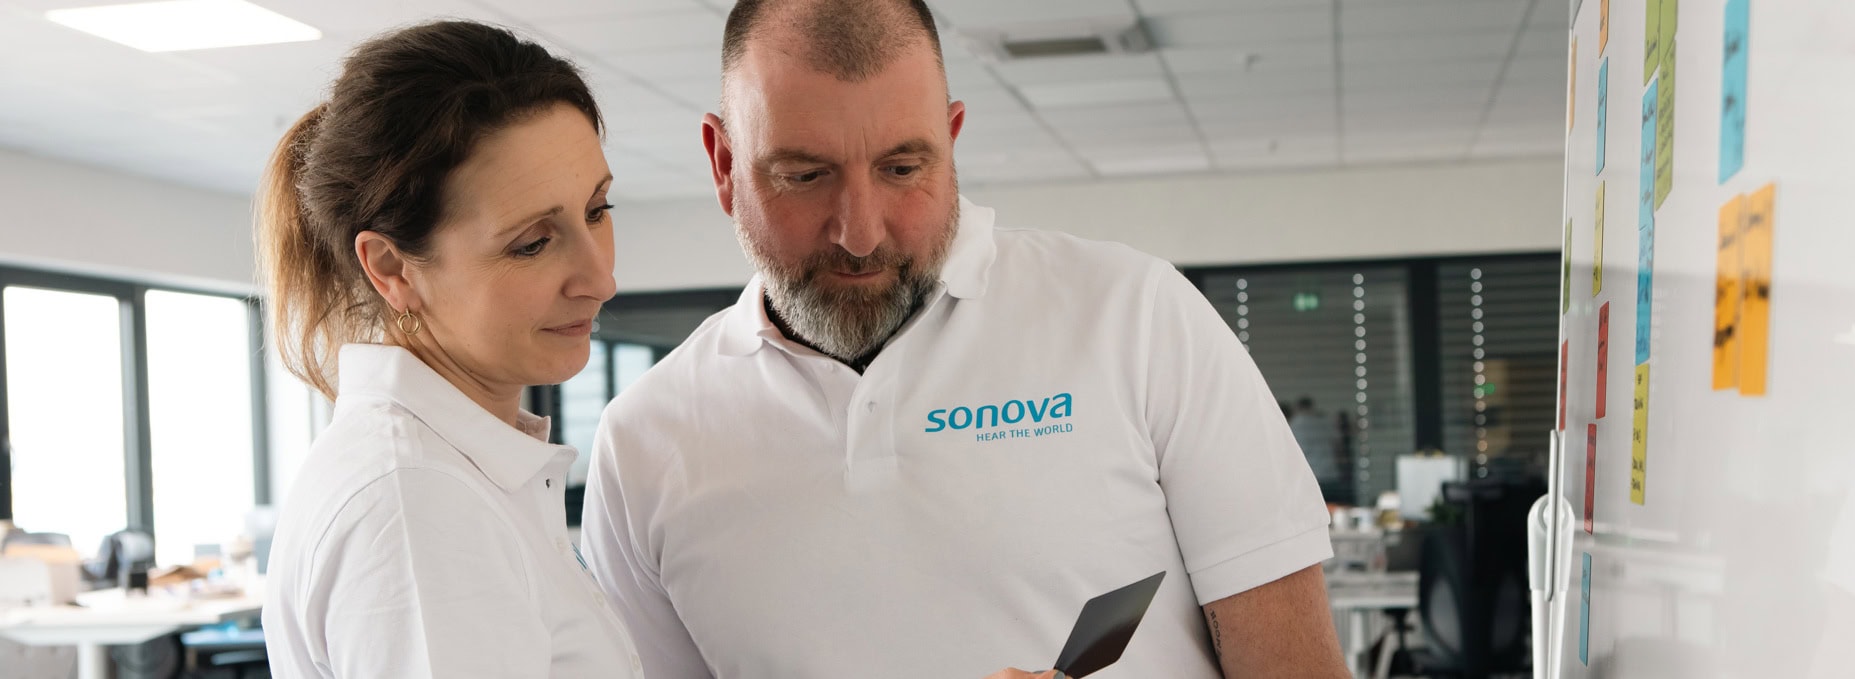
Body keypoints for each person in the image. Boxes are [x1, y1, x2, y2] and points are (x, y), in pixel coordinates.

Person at [580, 0, 1347, 677]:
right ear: (723, 164)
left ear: (950, 142)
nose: (860, 232)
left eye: (901, 167)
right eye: (805, 175)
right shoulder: (645, 440)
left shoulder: (1137, 319)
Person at [258, 21, 641, 677]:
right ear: (392, 268)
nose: (600, 280)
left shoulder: (449, 476)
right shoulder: (418, 505)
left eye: (597, 211)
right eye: (532, 243)